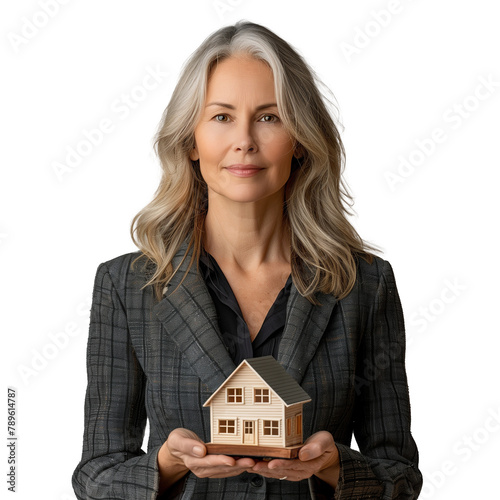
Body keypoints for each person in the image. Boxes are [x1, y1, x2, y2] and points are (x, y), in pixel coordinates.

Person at [72, 20, 422, 499]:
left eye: (269, 117)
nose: (245, 141)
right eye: (221, 117)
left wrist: (336, 467)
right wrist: (167, 466)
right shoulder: (127, 285)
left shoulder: (363, 284)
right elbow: (95, 476)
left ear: (299, 138)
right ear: (191, 141)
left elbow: (400, 475)